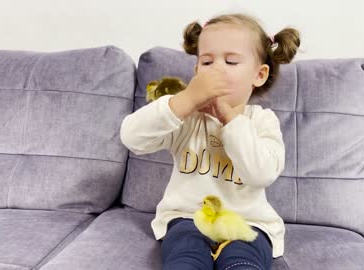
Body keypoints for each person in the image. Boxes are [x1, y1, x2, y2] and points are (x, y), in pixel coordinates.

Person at [120, 12, 300, 270]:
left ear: (258, 75)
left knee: (243, 262)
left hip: (248, 223)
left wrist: (229, 118)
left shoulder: (262, 121)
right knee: (184, 258)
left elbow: (261, 174)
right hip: (188, 219)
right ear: (196, 72)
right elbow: (132, 138)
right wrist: (184, 101)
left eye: (231, 61)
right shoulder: (186, 116)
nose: (216, 69)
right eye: (207, 62)